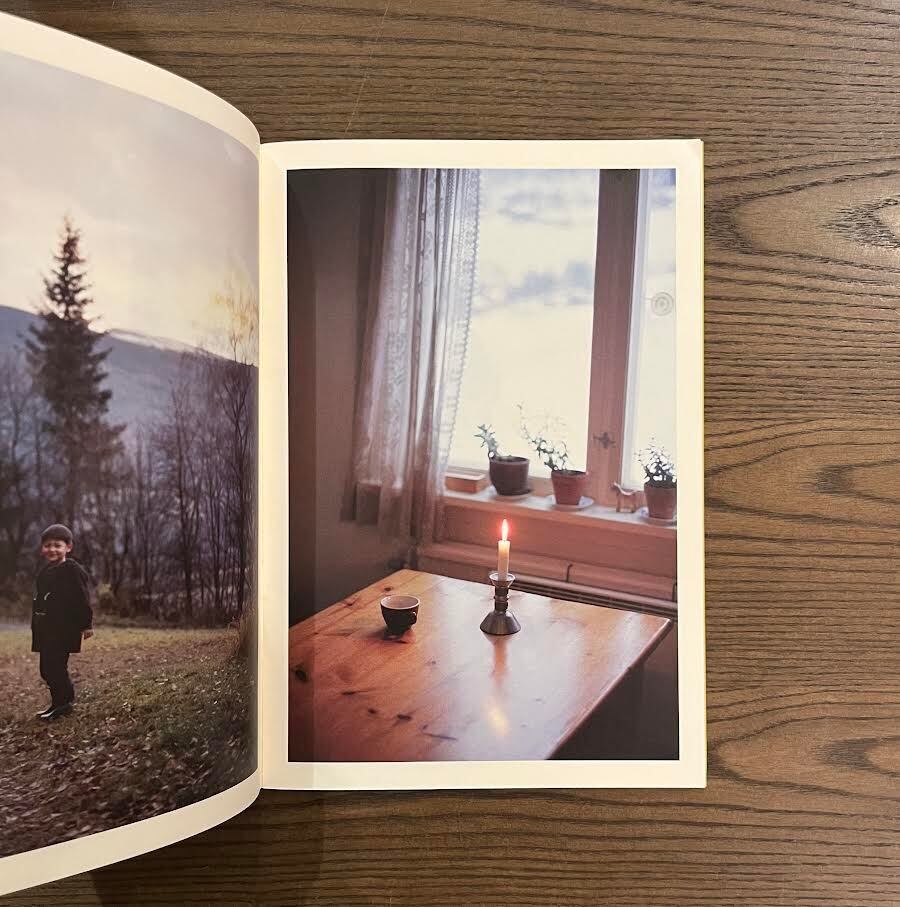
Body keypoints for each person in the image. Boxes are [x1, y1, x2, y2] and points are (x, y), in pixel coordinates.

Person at [31, 524, 93, 720]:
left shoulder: (71, 570)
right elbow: (41, 599)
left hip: (64, 628)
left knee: (55, 667)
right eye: (47, 545)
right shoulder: (45, 572)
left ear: (68, 547)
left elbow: (82, 598)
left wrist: (86, 624)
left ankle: (64, 703)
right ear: (42, 548)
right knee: (46, 669)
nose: (52, 549)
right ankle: (58, 702)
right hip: (47, 629)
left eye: (57, 545)